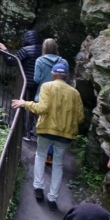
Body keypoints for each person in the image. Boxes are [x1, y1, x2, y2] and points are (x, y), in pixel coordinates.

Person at [11, 62, 84, 212]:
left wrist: (25, 103)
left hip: (46, 130)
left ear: (53, 74)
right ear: (66, 76)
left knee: (40, 156)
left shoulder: (47, 86)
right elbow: (80, 117)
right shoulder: (74, 93)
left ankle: (38, 187)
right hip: (65, 134)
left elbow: (42, 108)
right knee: (57, 164)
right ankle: (53, 198)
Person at [0, 30, 42, 140]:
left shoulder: (26, 50)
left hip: (25, 83)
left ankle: (21, 130)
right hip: (39, 85)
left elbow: (11, 61)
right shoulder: (43, 50)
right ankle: (31, 130)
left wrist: (4, 50)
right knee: (33, 107)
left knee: (22, 105)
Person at [34, 38, 70, 155]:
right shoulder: (63, 62)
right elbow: (67, 79)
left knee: (42, 123)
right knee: (56, 123)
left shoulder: (40, 60)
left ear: (44, 48)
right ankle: (50, 153)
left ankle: (41, 151)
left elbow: (36, 79)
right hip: (61, 97)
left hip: (42, 95)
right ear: (56, 47)